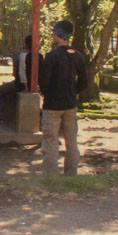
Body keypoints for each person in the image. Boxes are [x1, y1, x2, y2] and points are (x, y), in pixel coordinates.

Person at [39, 20, 88, 176]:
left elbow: (44, 82)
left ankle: (51, 175)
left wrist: (48, 94)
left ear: (57, 34)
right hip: (70, 104)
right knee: (71, 140)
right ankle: (71, 173)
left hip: (52, 105)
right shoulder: (78, 56)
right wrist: (74, 92)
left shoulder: (52, 56)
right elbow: (84, 81)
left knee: (50, 140)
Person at [0, 35, 43, 124]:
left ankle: (0, 116)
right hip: (33, 84)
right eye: (39, 42)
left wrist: (26, 87)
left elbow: (21, 74)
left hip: (21, 85)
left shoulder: (23, 55)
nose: (40, 44)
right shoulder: (40, 55)